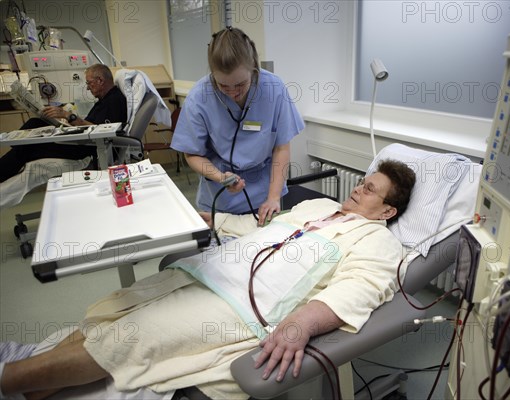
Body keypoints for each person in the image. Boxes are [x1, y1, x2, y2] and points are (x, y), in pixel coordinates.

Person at [0, 159, 416, 400]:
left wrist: (299, 325)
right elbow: (259, 226)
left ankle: (11, 379)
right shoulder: (318, 206)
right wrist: (208, 219)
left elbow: (357, 289)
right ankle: (34, 369)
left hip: (240, 306)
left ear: (387, 211)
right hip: (212, 270)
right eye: (362, 182)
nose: (359, 189)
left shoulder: (378, 242)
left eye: (370, 189)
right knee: (117, 307)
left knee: (131, 335)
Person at [171, 27, 304, 226]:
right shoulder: (199, 97)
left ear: (254, 69)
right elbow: (191, 154)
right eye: (223, 86)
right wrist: (220, 177)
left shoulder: (274, 89)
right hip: (220, 196)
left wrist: (274, 197)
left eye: (241, 84)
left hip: (265, 196)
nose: (233, 93)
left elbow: (281, 147)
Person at [0, 64, 128, 183]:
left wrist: (67, 115)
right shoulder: (104, 99)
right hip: (82, 141)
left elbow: (101, 130)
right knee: (35, 123)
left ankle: (10, 154)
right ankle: (14, 144)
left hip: (86, 148)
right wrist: (64, 121)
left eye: (89, 83)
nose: (88, 87)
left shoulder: (114, 101)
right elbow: (92, 124)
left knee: (28, 148)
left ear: (100, 80)